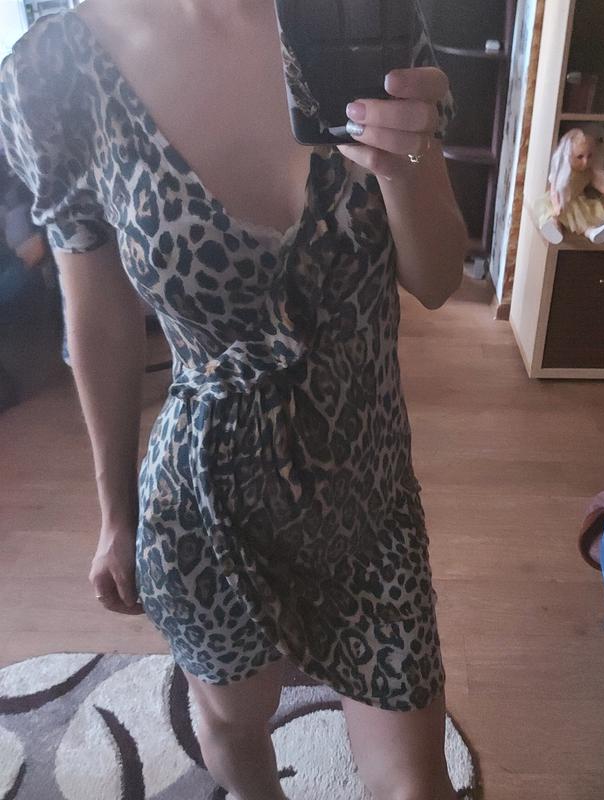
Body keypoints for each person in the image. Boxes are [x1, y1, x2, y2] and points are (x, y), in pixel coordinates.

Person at [0, 1, 467, 799]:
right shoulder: (56, 71)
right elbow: (101, 318)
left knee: (416, 783)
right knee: (232, 726)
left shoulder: (361, 15)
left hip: (368, 497)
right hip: (207, 503)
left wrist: (401, 167)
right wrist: (116, 516)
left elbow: (437, 278)